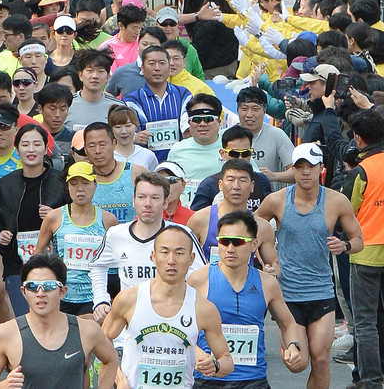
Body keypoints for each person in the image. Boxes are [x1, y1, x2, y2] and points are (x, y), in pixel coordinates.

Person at [256, 143, 363, 389]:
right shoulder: (276, 200)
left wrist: (344, 246)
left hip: (321, 292)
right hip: (287, 296)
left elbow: (358, 240)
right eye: (300, 167)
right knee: (298, 363)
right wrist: (266, 260)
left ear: (321, 169)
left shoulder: (337, 201)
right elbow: (254, 231)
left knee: (321, 359)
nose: (305, 172)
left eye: (311, 167)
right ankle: (291, 349)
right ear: (293, 169)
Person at [102, 225, 235, 389]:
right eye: (164, 252)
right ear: (153, 256)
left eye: (179, 253)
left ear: (191, 258)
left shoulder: (204, 308)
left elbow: (227, 361)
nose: (171, 261)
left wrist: (215, 366)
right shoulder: (129, 299)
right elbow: (101, 342)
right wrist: (119, 378)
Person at [187, 209, 308, 388]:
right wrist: (198, 354)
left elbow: (288, 323)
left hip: (253, 379)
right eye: (224, 241)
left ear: (254, 244)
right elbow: (179, 325)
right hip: (208, 378)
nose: (230, 249)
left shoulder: (267, 283)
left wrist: (293, 346)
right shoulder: (199, 279)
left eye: (238, 242)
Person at [0, 253, 123, 389]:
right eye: (32, 287)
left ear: (62, 291)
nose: (40, 293)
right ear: (23, 292)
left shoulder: (86, 330)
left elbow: (111, 360)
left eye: (49, 286)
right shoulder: (6, 333)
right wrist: (2, 386)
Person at [91, 172, 205, 325]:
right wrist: (100, 300)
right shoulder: (116, 234)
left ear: (166, 202)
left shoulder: (183, 235)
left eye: (155, 198)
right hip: (127, 327)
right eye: (142, 197)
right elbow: (97, 266)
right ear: (133, 201)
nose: (147, 203)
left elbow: (202, 276)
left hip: (171, 324)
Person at [0, 123, 68, 316]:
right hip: (18, 262)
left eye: (36, 144)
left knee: (52, 318)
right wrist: (2, 233)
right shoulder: (6, 185)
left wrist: (56, 214)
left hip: (55, 262)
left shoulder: (60, 182)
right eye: (25, 145)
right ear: (17, 149)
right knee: (26, 318)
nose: (31, 150)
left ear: (46, 148)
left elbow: (76, 216)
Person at [35, 161, 118, 316]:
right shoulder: (54, 217)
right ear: (67, 187)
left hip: (93, 297)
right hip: (61, 294)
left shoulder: (108, 220)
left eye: (85, 183)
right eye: (74, 184)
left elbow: (114, 263)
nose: (80, 189)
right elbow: (39, 254)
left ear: (95, 184)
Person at [340, 108, 384, 389]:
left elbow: (347, 209)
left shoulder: (361, 171)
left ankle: (371, 380)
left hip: (365, 252)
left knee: (365, 322)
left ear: (358, 138)